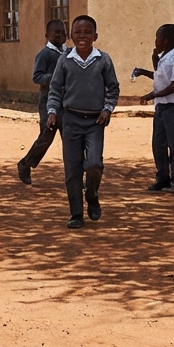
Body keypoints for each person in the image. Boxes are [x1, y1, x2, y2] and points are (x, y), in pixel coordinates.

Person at [47, 15, 120, 229]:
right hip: (70, 119)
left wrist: (108, 109)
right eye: (77, 32)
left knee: (95, 163)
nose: (82, 36)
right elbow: (55, 88)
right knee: (73, 169)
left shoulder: (103, 60)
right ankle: (76, 213)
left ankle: (93, 192)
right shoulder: (65, 59)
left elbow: (113, 88)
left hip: (95, 121)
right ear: (71, 35)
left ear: (95, 36)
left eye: (87, 32)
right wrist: (52, 111)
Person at [16, 18, 68, 186]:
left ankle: (74, 175)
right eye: (57, 32)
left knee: (71, 139)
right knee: (46, 135)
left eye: (63, 32)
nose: (61, 35)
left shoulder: (68, 53)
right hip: (48, 100)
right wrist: (55, 77)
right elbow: (37, 77)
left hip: (67, 101)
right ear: (47, 35)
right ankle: (26, 163)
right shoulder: (45, 54)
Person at [138, 24, 174, 193]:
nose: (155, 41)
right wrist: (150, 63)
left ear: (165, 41)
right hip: (162, 107)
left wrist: (152, 95)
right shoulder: (164, 57)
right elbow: (159, 75)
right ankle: (163, 178)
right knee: (158, 144)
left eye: (157, 38)